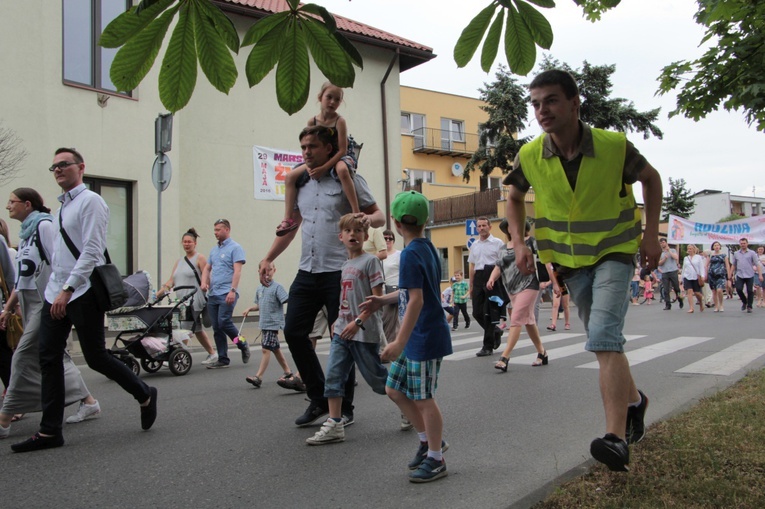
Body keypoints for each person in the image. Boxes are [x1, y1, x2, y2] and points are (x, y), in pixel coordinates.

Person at [503, 70, 662, 472]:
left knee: (605, 336)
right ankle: (635, 402)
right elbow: (514, 196)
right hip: (571, 262)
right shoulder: (530, 154)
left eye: (551, 100)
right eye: (536, 103)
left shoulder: (612, 146)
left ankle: (615, 438)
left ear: (575, 104)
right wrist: (520, 242)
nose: (542, 110)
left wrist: (651, 236)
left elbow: (651, 179)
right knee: (603, 338)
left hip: (615, 251)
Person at [11, 148, 157, 453]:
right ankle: (50, 431)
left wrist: (67, 288)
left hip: (82, 291)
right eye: (54, 167)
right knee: (48, 357)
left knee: (95, 357)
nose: (59, 170)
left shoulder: (92, 201)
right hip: (57, 293)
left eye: (64, 164)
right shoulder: (61, 208)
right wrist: (54, 291)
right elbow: (60, 256)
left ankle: (144, 392)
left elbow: (92, 251)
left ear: (81, 167)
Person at [258, 125, 385, 427]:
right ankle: (318, 399)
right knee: (293, 332)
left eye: (312, 146)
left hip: (341, 272)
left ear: (329, 148)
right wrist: (268, 257)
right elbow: (291, 228)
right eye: (303, 147)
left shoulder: (347, 179)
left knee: (342, 337)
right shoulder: (301, 183)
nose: (306, 152)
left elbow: (379, 214)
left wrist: (366, 218)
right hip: (308, 270)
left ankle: (346, 408)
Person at [362, 190, 452, 483]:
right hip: (417, 334)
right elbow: (410, 292)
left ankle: (437, 459)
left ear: (395, 223)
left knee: (424, 398)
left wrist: (398, 341)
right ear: (426, 220)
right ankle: (428, 441)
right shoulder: (426, 247)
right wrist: (382, 300)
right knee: (394, 389)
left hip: (422, 336)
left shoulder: (412, 254)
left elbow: (416, 300)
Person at [0, 188, 102, 439]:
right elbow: (21, 277)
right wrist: (10, 306)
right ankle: (88, 401)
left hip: (44, 301)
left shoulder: (43, 226)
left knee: (22, 356)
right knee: (55, 357)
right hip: (29, 303)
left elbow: (59, 264)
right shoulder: (25, 233)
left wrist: (60, 296)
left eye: (11, 202)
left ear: (26, 204)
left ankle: (5, 417)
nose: (7, 206)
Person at [305, 214, 387, 445]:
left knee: (378, 380)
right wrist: (340, 319)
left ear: (365, 235)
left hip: (363, 331)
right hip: (343, 330)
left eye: (358, 231)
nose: (353, 234)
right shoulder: (344, 265)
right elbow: (346, 297)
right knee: (333, 376)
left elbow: (377, 299)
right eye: (348, 231)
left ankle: (408, 405)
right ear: (340, 237)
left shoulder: (371, 261)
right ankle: (335, 424)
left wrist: (358, 321)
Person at [277, 83, 359, 236]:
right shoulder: (312, 122)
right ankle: (288, 219)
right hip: (319, 157)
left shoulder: (339, 121)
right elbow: (309, 144)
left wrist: (324, 168)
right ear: (320, 97)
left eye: (337, 100)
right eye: (329, 97)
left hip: (339, 156)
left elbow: (342, 149)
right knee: (290, 176)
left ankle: (356, 212)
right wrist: (310, 166)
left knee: (342, 170)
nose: (333, 102)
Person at [489, 220, 548, 371]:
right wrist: (491, 278)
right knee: (528, 321)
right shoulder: (503, 248)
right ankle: (542, 352)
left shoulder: (531, 242)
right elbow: (498, 266)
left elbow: (545, 260)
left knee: (515, 318)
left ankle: (505, 357)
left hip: (530, 284)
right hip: (512, 288)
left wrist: (553, 281)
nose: (512, 227)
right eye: (509, 225)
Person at [156, 228, 217, 365]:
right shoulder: (179, 262)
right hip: (181, 301)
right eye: (184, 242)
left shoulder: (200, 258)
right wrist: (159, 293)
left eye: (189, 242)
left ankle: (176, 355)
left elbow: (207, 276)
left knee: (184, 328)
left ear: (195, 243)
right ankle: (213, 354)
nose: (187, 244)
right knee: (196, 329)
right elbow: (171, 280)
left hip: (195, 300)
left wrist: (205, 284)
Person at [200, 219, 250, 368]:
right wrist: (204, 282)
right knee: (217, 327)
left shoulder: (235, 248)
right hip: (213, 293)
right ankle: (223, 358)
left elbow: (237, 271)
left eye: (218, 230)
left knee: (224, 322)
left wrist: (232, 290)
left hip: (227, 292)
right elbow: (207, 268)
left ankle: (242, 343)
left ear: (227, 230)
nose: (215, 233)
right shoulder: (214, 250)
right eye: (214, 230)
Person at [243, 262, 294, 388]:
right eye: (264, 271)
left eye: (270, 270)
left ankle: (258, 377)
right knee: (275, 349)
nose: (267, 273)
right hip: (264, 324)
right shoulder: (260, 289)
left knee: (266, 349)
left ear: (274, 270)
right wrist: (250, 308)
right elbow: (260, 304)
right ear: (259, 272)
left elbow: (287, 300)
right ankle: (288, 372)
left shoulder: (277, 287)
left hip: (273, 324)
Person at [468, 217, 505, 356]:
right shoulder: (474, 245)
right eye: (479, 226)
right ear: (476, 228)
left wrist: (495, 279)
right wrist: (471, 285)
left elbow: (501, 263)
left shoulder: (498, 243)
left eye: (484, 225)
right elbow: (472, 266)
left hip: (492, 276)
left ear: (490, 227)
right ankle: (496, 331)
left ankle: (487, 346)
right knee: (476, 312)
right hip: (479, 277)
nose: (481, 228)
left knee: (489, 312)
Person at [731, 238, 763, 313]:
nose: (743, 245)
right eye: (741, 243)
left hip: (749, 274)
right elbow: (733, 265)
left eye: (744, 243)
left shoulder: (752, 253)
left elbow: (757, 264)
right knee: (738, 289)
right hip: (740, 274)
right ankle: (744, 301)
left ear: (747, 244)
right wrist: (730, 274)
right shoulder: (736, 253)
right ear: (740, 244)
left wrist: (760, 275)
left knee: (749, 290)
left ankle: (749, 306)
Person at [381, 229, 401, 344]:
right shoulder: (378, 255)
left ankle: (390, 347)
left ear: (393, 241)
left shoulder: (399, 255)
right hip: (381, 290)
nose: (388, 240)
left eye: (390, 238)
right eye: (385, 238)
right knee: (385, 320)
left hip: (395, 290)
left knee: (392, 321)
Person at [658, 238, 684, 310]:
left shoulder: (672, 250)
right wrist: (664, 259)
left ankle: (680, 299)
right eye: (661, 243)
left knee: (676, 288)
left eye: (663, 242)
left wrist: (669, 251)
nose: (662, 244)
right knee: (666, 289)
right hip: (665, 272)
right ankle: (668, 304)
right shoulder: (660, 253)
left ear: (666, 243)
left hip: (673, 271)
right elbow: (659, 263)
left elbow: (676, 257)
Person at [706, 241, 731, 312]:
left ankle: (721, 304)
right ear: (713, 247)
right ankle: (716, 306)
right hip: (712, 274)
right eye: (715, 245)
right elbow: (706, 265)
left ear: (720, 247)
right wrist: (705, 274)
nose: (716, 246)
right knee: (714, 291)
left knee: (719, 290)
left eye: (718, 245)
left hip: (721, 274)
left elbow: (727, 265)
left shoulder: (724, 255)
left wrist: (729, 275)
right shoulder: (710, 255)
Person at [681, 244, 706, 314]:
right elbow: (684, 268)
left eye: (691, 248)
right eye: (688, 249)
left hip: (696, 277)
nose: (689, 250)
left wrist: (702, 276)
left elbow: (701, 267)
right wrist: (682, 278)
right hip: (687, 276)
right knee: (689, 291)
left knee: (697, 293)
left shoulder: (698, 257)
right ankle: (691, 308)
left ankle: (701, 302)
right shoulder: (686, 258)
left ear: (694, 249)